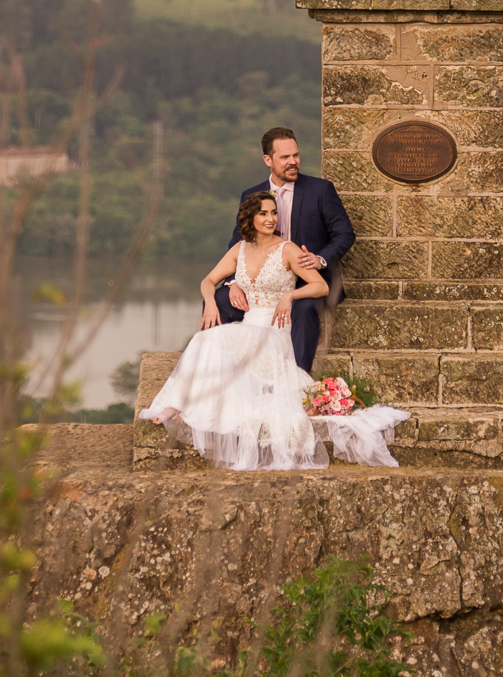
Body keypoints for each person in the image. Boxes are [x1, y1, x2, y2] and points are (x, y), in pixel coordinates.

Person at [139, 191, 408, 471]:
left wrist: (290, 296)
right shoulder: (239, 250)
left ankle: (183, 405)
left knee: (215, 338)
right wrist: (210, 301)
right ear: (250, 218)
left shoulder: (287, 249)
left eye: (273, 213)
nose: (270, 219)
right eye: (263, 214)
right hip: (250, 325)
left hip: (276, 331)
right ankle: (183, 403)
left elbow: (321, 286)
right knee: (206, 337)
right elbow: (209, 280)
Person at [216, 127, 355, 375]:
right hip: (264, 279)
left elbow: (344, 234)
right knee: (220, 300)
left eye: (296, 155)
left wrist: (320, 259)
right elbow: (239, 240)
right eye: (285, 157)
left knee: (304, 309)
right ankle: (219, 373)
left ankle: (299, 379)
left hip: (309, 279)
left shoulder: (320, 190)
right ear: (268, 160)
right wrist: (234, 281)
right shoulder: (251, 195)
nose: (293, 162)